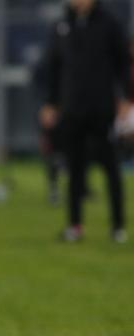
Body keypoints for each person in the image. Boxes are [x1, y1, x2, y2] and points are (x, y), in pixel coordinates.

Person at [41, 0, 130, 243]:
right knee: (75, 168)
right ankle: (75, 225)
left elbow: (123, 62)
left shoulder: (109, 23)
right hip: (72, 108)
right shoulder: (62, 24)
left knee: (111, 166)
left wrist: (125, 97)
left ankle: (118, 225)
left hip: (102, 108)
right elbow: (53, 67)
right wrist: (51, 102)